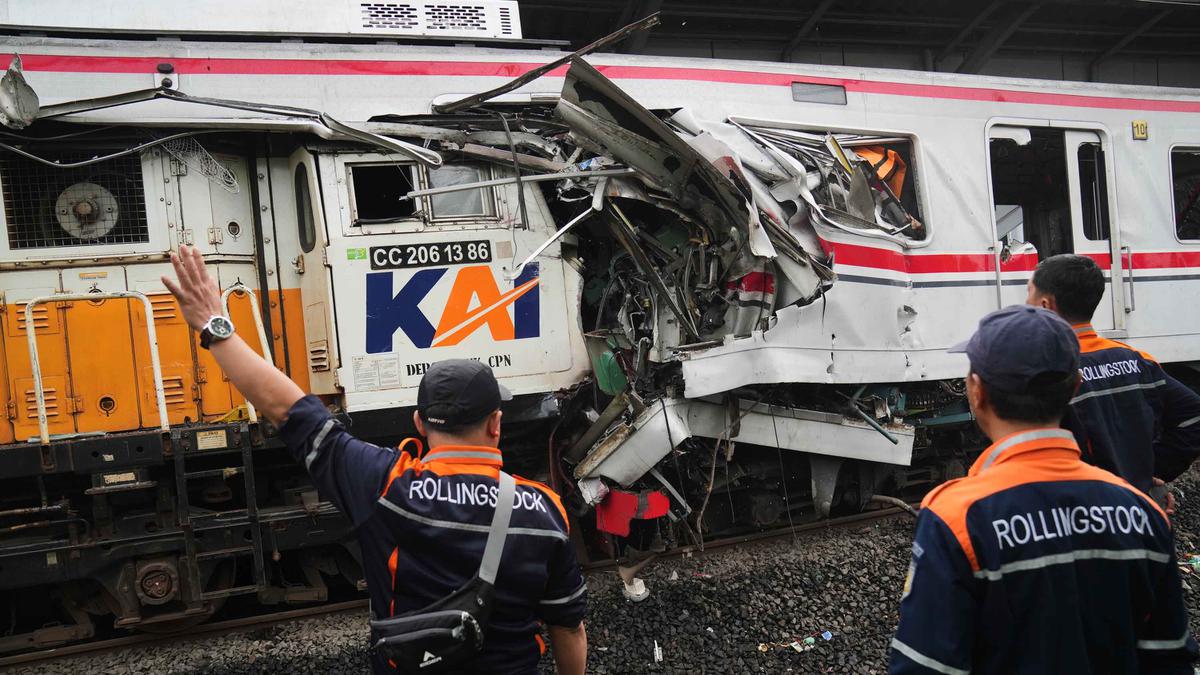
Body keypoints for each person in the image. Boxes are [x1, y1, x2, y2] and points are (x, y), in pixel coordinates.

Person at [162, 245, 587, 675]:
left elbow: (289, 410)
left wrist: (216, 328)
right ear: (496, 423)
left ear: (419, 423)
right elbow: (567, 628)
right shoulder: (544, 511)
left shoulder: (384, 484)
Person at [890, 305, 1196, 675]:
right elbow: (1168, 656)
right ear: (1075, 386)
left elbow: (924, 667)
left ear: (976, 392)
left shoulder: (955, 516)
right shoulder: (1143, 513)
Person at [1027, 254, 1200, 498]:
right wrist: (1146, 473)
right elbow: (1194, 417)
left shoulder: (1044, 369)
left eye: (1029, 293)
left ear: (1045, 305)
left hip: (1083, 509)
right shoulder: (1140, 360)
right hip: (1137, 507)